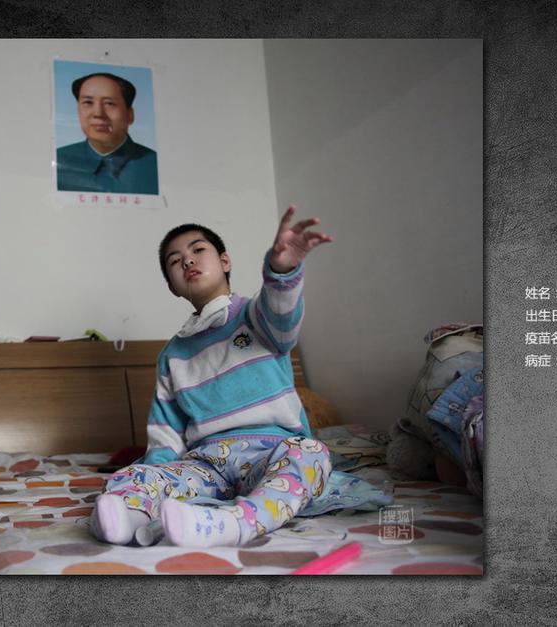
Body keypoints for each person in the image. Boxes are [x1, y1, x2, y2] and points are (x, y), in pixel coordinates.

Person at [91, 206, 377, 548]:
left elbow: (282, 313)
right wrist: (156, 476)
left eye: (198, 250)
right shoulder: (173, 355)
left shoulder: (256, 317)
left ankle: (234, 523)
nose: (187, 260)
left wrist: (281, 271)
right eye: (175, 261)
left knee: (311, 453)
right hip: (207, 463)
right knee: (136, 473)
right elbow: (165, 433)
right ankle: (131, 518)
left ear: (225, 261)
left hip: (271, 451)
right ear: (172, 287)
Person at [56, 72, 159, 195]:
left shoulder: (155, 165)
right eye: (88, 102)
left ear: (130, 114)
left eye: (109, 103)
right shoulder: (58, 160)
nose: (98, 113)